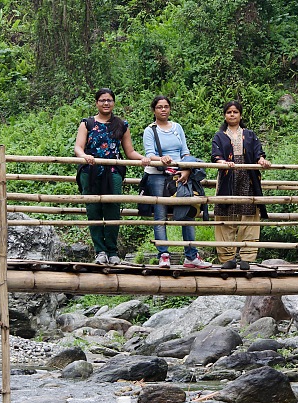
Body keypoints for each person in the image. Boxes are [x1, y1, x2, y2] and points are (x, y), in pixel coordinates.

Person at [74, 88, 150, 265]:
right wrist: (84, 156)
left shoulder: (121, 125)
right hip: (90, 171)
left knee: (113, 209)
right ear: (96, 103)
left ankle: (112, 251)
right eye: (102, 100)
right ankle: (100, 251)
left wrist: (143, 159)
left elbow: (129, 151)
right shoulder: (87, 123)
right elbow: (78, 147)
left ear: (113, 103)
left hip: (114, 171)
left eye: (109, 100)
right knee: (93, 211)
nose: (106, 103)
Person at [142, 96, 212, 269]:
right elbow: (149, 154)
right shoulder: (150, 130)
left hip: (180, 175)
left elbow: (185, 152)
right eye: (159, 107)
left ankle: (191, 256)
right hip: (158, 175)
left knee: (187, 212)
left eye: (166, 106)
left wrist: (187, 169)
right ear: (154, 110)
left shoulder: (177, 127)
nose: (163, 110)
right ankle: (163, 255)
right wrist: (161, 158)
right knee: (160, 214)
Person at [211, 101, 272, 270]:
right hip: (227, 178)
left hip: (248, 176)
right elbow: (215, 155)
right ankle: (227, 258)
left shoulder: (250, 135)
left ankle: (247, 257)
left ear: (240, 115)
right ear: (225, 115)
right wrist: (224, 162)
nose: (232, 114)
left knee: (249, 216)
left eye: (235, 112)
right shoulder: (219, 136)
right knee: (225, 215)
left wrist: (261, 160)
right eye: (229, 112)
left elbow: (259, 153)